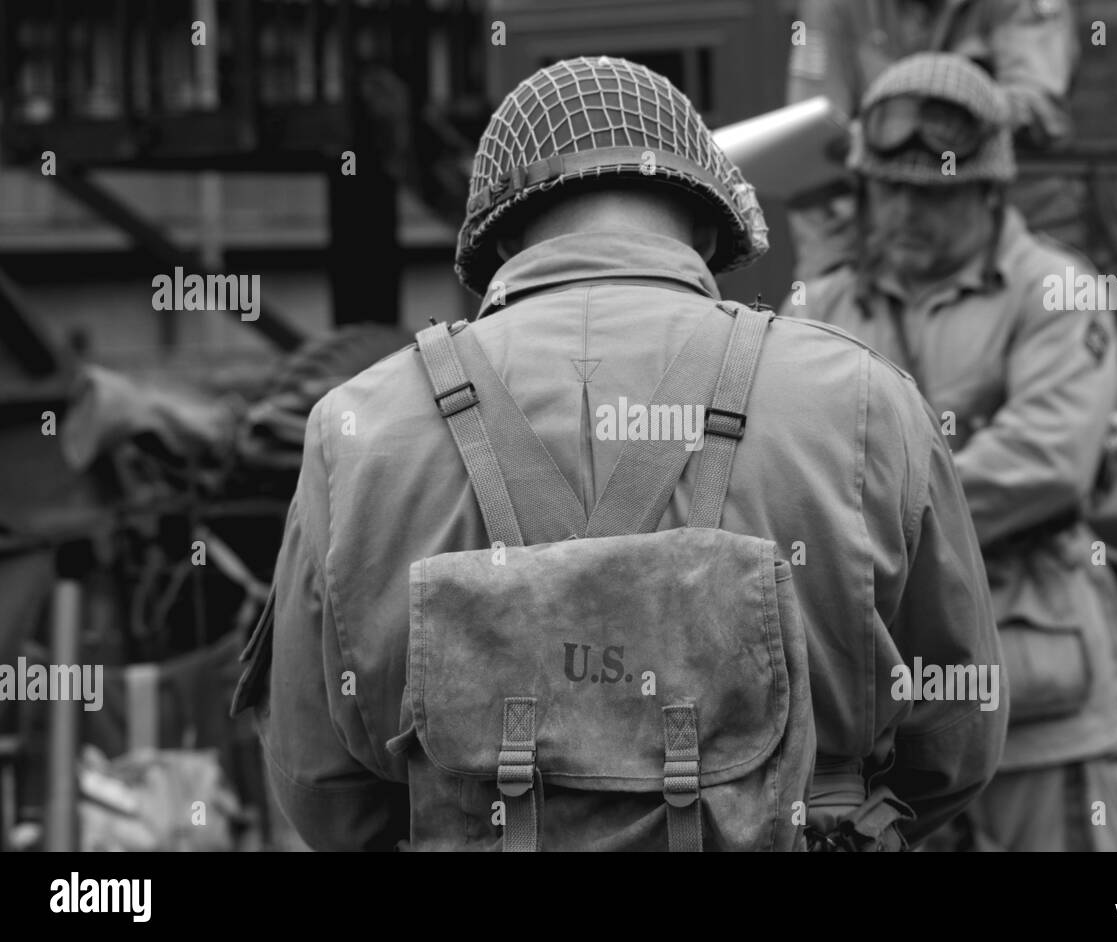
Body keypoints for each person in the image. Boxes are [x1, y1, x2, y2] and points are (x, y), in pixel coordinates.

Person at [232, 55, 1005, 852]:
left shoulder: (354, 431)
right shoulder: (867, 398)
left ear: (499, 241)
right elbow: (955, 744)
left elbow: (320, 785)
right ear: (707, 228)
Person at [783, 52, 1117, 851]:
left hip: (1037, 701)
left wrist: (865, 522)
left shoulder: (1055, 289)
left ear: (991, 191)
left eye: (935, 194)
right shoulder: (827, 303)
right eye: (889, 190)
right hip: (877, 719)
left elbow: (1047, 461)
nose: (907, 214)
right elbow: (785, 459)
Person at [786, 0, 1080, 283]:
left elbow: (1041, 106)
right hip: (876, 235)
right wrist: (827, 268)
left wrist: (956, 106)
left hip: (1002, 230)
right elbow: (813, 135)